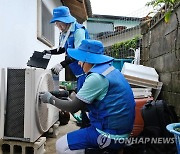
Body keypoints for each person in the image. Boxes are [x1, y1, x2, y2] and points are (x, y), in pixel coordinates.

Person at [40, 39, 135, 154]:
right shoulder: (110, 70)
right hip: (121, 131)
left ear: (88, 59)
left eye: (80, 60)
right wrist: (70, 100)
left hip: (109, 135)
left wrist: (49, 99)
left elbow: (73, 108)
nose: (79, 63)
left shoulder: (96, 77)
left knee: (61, 145)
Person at [43, 6, 90, 125]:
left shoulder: (78, 31)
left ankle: (87, 124)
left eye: (59, 23)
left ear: (66, 20)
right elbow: (62, 49)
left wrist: (62, 64)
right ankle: (85, 122)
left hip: (86, 70)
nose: (58, 26)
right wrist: (49, 52)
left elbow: (79, 53)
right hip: (78, 71)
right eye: (56, 23)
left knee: (85, 98)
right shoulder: (64, 32)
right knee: (81, 95)